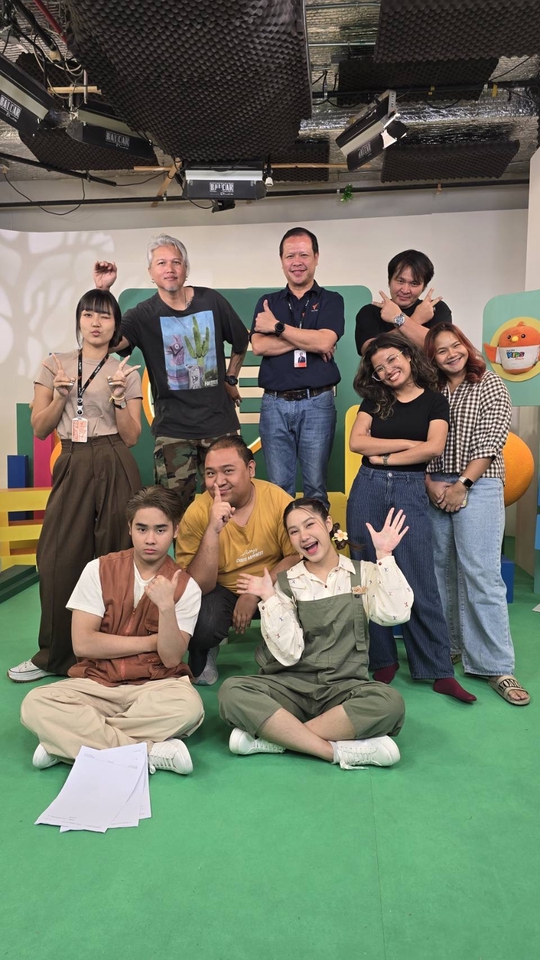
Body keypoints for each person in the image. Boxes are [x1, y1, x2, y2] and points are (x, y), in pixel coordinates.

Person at [21, 486, 204, 775]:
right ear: (129, 528)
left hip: (156, 685)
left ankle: (67, 743)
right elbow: (83, 644)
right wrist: (150, 642)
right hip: (97, 683)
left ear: (175, 530)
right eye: (142, 529)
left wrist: (166, 607)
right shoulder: (98, 569)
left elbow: (171, 658)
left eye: (160, 530)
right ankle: (149, 751)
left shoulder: (186, 586)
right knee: (35, 703)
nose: (150, 539)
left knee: (189, 707)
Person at [8, 290, 143, 684]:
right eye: (88, 315)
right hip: (73, 457)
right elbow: (40, 428)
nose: (96, 323)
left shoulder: (125, 371)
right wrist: (61, 396)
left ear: (116, 326)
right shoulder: (55, 364)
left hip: (115, 458)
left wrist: (119, 398)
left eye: (105, 316)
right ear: (79, 321)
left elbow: (132, 436)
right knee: (58, 557)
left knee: (118, 557)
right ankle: (54, 655)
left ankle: (114, 655)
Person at [218, 498, 410, 769]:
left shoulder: (363, 573)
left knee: (390, 703)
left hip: (343, 689)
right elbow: (289, 654)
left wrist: (385, 556)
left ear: (328, 524)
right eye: (294, 531)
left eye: (310, 525)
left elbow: (396, 614)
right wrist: (269, 598)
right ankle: (334, 751)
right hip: (290, 688)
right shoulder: (285, 583)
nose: (303, 536)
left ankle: (278, 738)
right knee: (232, 691)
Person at [346, 332, 475, 703]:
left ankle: (438, 669)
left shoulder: (434, 400)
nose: (388, 370)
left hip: (408, 489)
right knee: (367, 574)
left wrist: (385, 456)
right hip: (368, 487)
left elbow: (433, 448)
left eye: (392, 360)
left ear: (407, 355)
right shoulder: (376, 399)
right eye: (379, 368)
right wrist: (405, 444)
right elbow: (358, 443)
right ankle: (382, 659)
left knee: (419, 576)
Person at [93, 234, 249, 514]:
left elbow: (240, 341)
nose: (170, 269)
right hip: (173, 431)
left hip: (219, 425)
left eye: (176, 262)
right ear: (150, 272)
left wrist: (230, 379)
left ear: (186, 268)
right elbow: (110, 342)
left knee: (231, 507)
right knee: (174, 512)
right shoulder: (143, 314)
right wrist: (103, 293)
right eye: (161, 263)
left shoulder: (211, 301)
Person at [424, 323, 530, 706]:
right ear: (432, 358)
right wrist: (429, 482)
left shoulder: (490, 383)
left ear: (466, 347)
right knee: (440, 569)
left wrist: (462, 485)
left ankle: (496, 665)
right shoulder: (431, 390)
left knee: (481, 572)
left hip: (479, 483)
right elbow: (419, 437)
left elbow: (492, 438)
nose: (451, 354)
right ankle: (449, 647)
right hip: (436, 484)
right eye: (441, 350)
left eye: (455, 346)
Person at [175, 435, 299, 685]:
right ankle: (205, 648)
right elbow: (197, 585)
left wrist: (256, 591)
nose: (218, 481)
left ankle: (275, 643)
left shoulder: (277, 500)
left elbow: (296, 556)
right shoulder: (198, 512)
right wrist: (212, 530)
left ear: (250, 469)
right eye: (210, 473)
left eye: (228, 471)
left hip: (271, 582)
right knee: (202, 624)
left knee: (308, 589)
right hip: (221, 588)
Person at [250, 227, 344, 509]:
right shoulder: (268, 302)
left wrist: (278, 328)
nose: (297, 262)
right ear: (281, 260)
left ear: (316, 257)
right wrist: (308, 339)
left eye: (304, 255)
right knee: (279, 488)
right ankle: (285, 539)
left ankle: (319, 538)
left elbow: (325, 340)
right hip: (274, 404)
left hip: (317, 402)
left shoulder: (331, 300)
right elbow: (259, 346)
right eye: (290, 256)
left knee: (315, 486)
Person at [355, 249, 451, 357]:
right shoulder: (370, 312)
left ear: (424, 287)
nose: (405, 290)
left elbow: (441, 348)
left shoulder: (436, 308)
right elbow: (371, 353)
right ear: (389, 281)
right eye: (400, 281)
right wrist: (416, 319)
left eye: (414, 283)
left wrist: (398, 318)